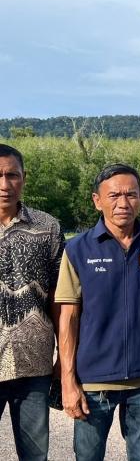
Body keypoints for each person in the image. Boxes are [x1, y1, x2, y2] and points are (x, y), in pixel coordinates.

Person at [55, 163, 140, 461]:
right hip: (93, 382)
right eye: (114, 195)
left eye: (131, 194)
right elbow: (68, 317)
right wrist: (68, 381)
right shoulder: (77, 250)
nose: (123, 203)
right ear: (97, 200)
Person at [0, 143, 65, 460]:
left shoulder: (48, 228)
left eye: (12, 175)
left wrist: (64, 357)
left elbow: (62, 298)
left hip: (34, 364)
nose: (4, 184)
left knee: (35, 455)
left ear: (24, 178)